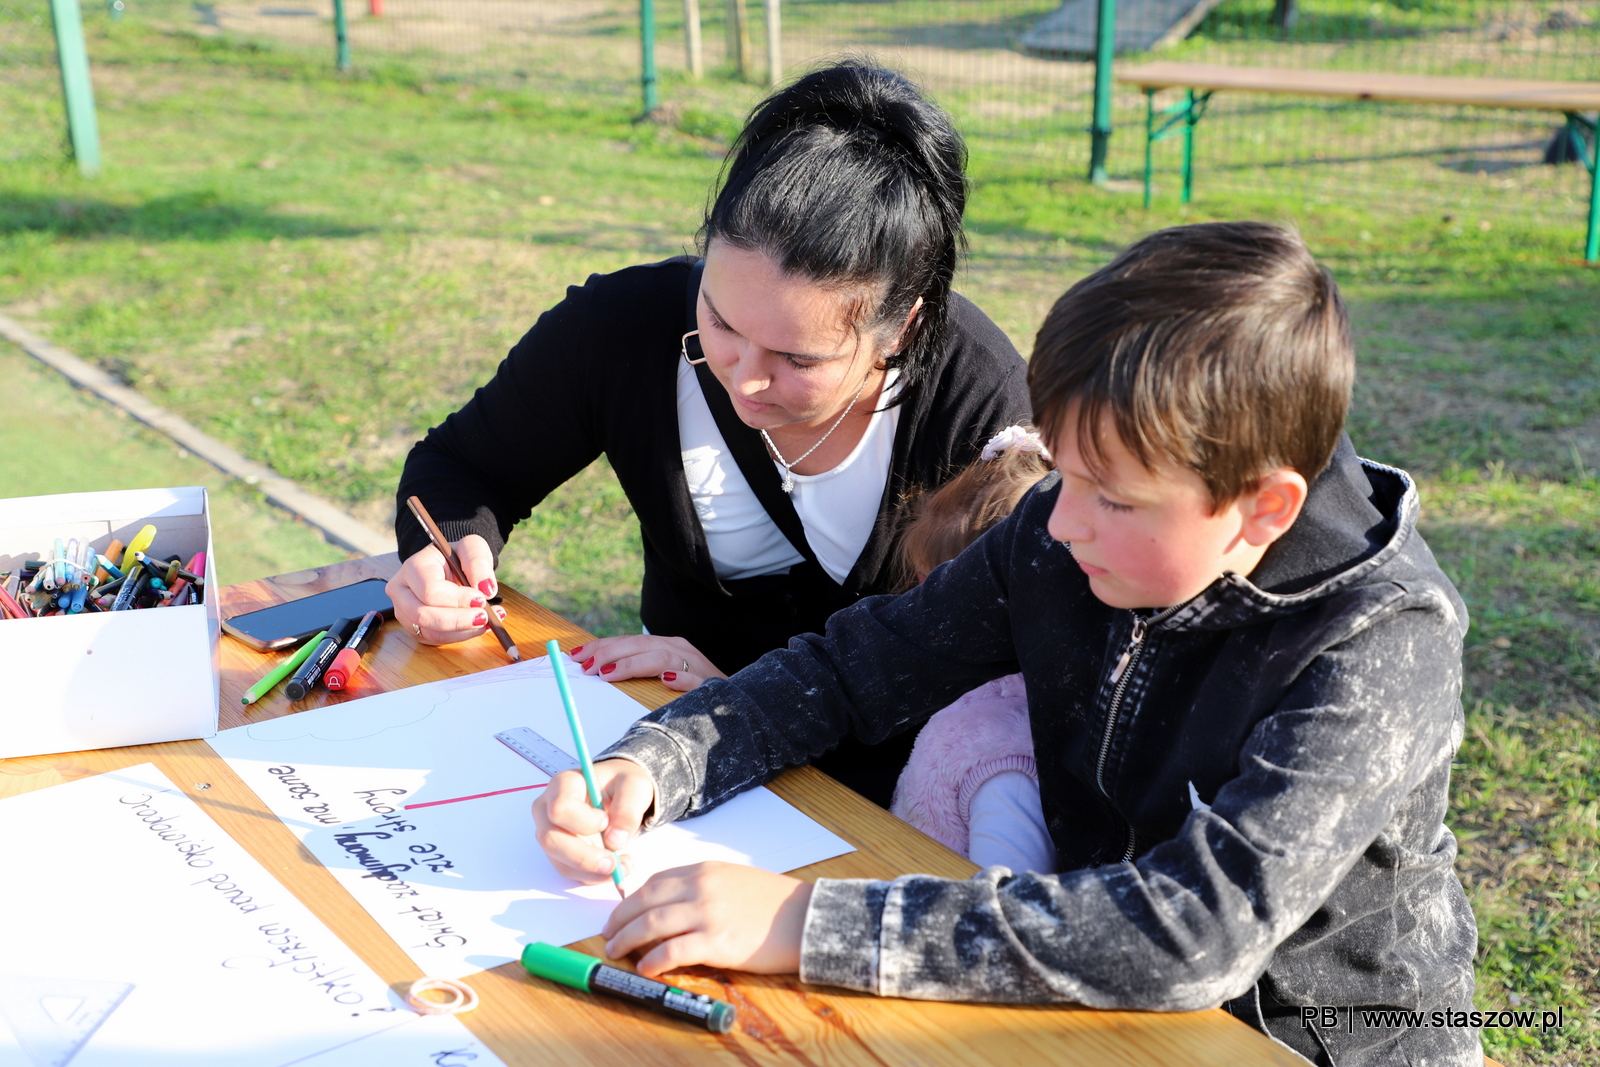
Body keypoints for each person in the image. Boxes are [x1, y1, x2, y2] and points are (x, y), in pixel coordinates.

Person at [532, 222, 1482, 1066]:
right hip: (1096, 1004)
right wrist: (658, 760)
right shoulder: (1070, 527)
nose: (1059, 525)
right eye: (1062, 474)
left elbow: (1195, 930)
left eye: (1111, 497)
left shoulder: (1378, 647)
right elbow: (854, 667)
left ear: (1263, 505)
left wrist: (804, 922)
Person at [389, 61, 1030, 807]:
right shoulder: (622, 329)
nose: (744, 378)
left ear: (903, 326)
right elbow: (464, 466)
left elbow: (989, 679)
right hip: (647, 772)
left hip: (875, 808)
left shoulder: (978, 407)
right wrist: (448, 554)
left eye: (798, 358)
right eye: (720, 320)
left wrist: (738, 708)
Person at [887, 425, 1054, 873]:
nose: (914, 610)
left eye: (931, 594)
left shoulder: (1004, 764)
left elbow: (1006, 903)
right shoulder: (970, 700)